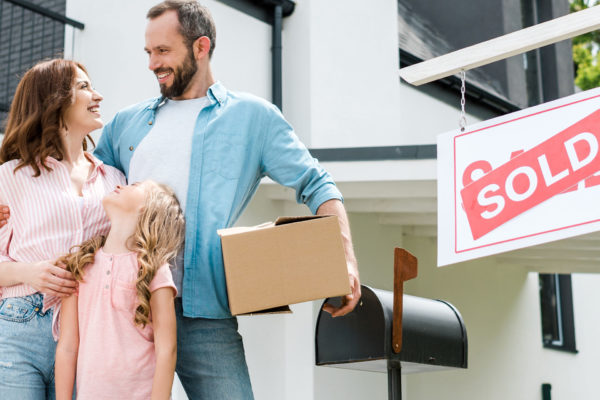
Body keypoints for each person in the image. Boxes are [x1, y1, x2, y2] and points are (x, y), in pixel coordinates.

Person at [0, 1, 361, 398]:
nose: (153, 63)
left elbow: (318, 183)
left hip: (203, 311)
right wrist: (12, 214)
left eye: (163, 51)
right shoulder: (127, 122)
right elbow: (80, 194)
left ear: (201, 47)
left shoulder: (253, 118)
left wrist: (343, 257)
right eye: (149, 52)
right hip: (121, 307)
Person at [0, 59, 126, 399]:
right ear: (53, 99)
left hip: (87, 328)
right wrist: (30, 271)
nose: (97, 95)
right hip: (18, 324)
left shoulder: (114, 181)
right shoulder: (11, 176)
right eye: (84, 87)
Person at [55, 180, 184, 400]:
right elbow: (67, 347)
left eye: (134, 185)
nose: (121, 185)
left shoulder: (154, 270)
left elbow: (167, 350)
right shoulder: (79, 264)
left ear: (147, 207)